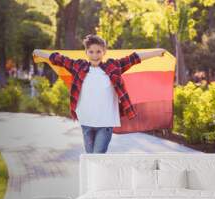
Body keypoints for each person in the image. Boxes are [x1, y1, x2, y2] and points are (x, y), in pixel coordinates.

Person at [33, 34, 166, 153]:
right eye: (91, 52)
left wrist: (156, 52)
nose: (95, 55)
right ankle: (91, 181)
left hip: (105, 123)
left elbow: (134, 58)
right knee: (90, 158)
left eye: (98, 52)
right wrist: (39, 53)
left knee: (96, 158)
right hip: (86, 121)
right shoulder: (78, 67)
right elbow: (58, 59)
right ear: (86, 52)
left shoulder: (113, 67)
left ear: (104, 52)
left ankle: (95, 181)